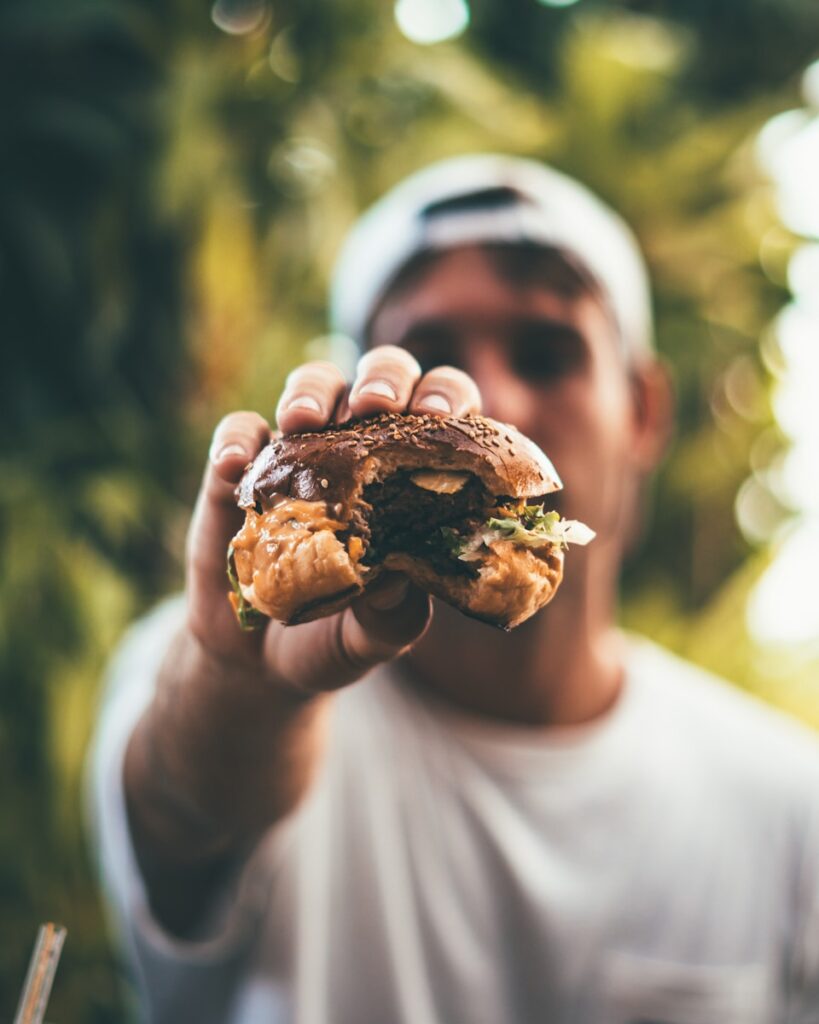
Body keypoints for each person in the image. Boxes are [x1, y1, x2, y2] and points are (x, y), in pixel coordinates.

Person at [89, 155, 819, 1024]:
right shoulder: (214, 677)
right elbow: (184, 813)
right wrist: (239, 686)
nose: (494, 403)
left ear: (643, 413)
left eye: (547, 355)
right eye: (432, 357)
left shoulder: (784, 809)